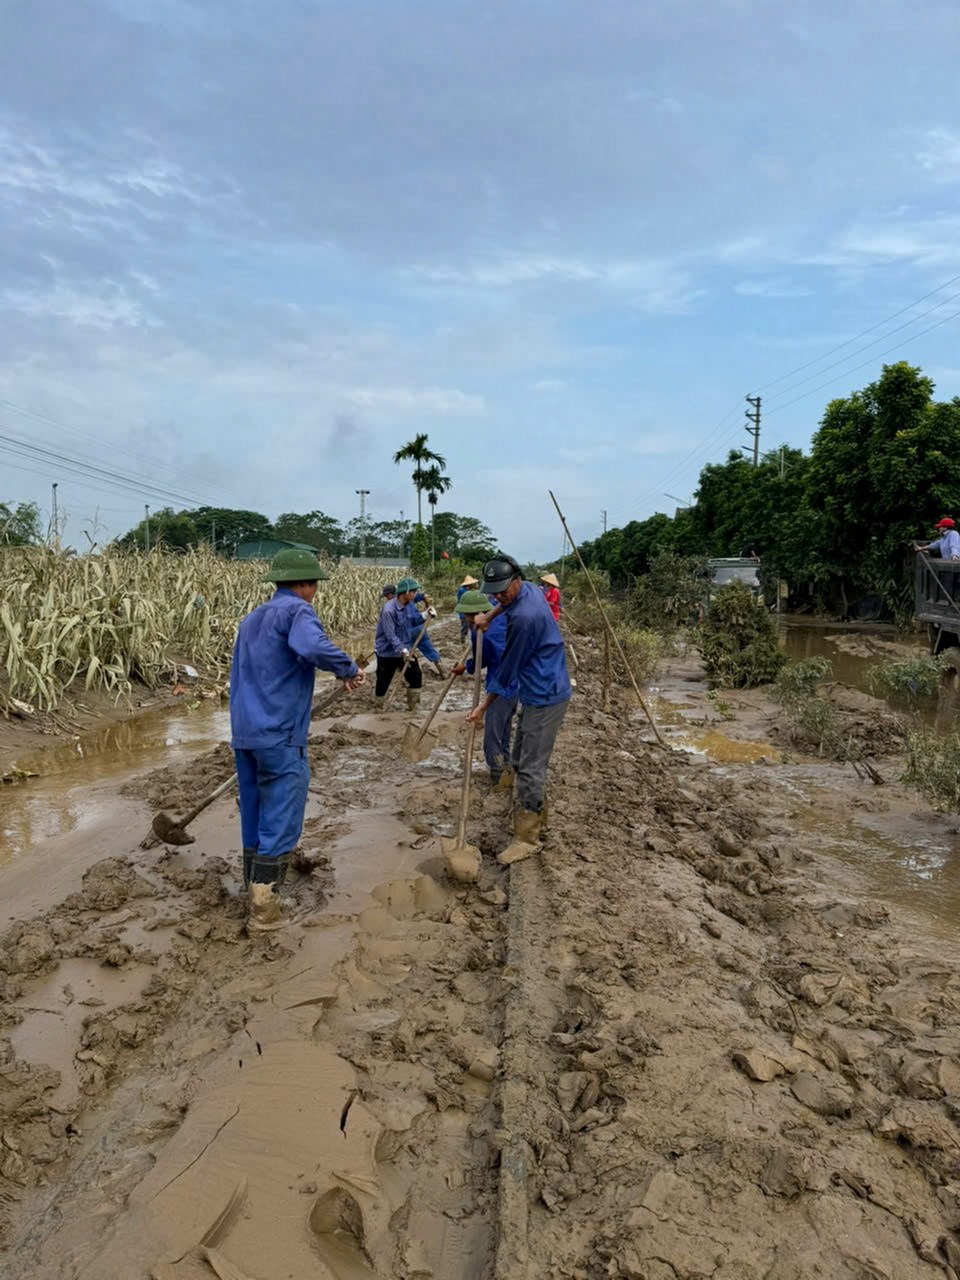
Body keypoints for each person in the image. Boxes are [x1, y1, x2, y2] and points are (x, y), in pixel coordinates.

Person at [230, 548, 364, 932]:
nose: (315, 592)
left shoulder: (252, 618)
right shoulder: (297, 612)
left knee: (254, 810)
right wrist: (347, 668)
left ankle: (251, 888)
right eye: (314, 585)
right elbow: (311, 647)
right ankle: (265, 909)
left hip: (245, 732)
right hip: (280, 731)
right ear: (305, 585)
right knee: (282, 811)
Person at [468, 554, 571, 863]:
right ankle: (538, 816)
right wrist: (491, 615)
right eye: (493, 591)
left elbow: (507, 671)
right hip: (538, 685)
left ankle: (528, 837)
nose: (498, 596)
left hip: (546, 693)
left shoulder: (525, 618)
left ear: (516, 580)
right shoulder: (527, 587)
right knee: (520, 752)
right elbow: (508, 602)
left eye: (502, 590)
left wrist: (482, 708)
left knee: (530, 766)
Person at [452, 589, 517, 786]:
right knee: (503, 732)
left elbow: (489, 658)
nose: (464, 617)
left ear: (473, 614)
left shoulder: (484, 632)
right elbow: (483, 657)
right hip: (516, 684)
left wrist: (470, 667)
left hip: (501, 687)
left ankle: (498, 776)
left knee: (492, 736)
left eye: (465, 614)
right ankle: (506, 769)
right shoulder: (502, 620)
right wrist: (468, 666)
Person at [374, 576, 433, 709]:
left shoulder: (409, 605)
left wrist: (425, 614)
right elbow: (390, 635)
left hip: (405, 648)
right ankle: (379, 704)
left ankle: (413, 706)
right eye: (414, 592)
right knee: (383, 681)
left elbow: (412, 621)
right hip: (388, 652)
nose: (415, 594)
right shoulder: (389, 610)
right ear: (406, 592)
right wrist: (403, 650)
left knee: (416, 675)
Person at [403, 589, 445, 678]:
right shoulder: (410, 598)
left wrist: (425, 613)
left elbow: (414, 620)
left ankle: (410, 674)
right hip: (420, 630)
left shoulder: (401, 603)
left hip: (409, 632)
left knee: (407, 653)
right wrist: (425, 598)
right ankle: (442, 671)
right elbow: (419, 597)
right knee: (429, 649)